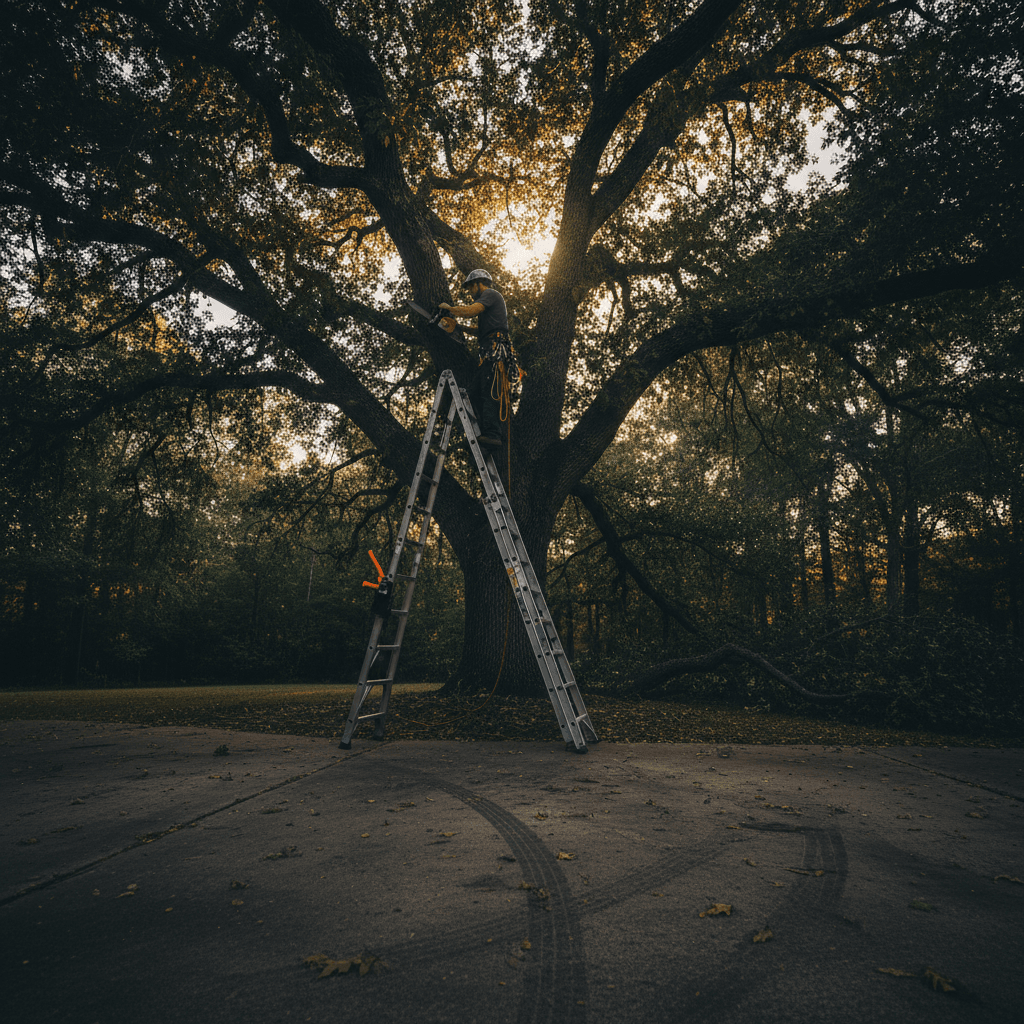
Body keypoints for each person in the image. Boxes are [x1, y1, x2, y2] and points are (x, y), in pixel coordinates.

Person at [438, 269, 517, 449]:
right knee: (472, 394)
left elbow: (471, 311)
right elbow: (479, 331)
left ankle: (493, 435)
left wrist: (450, 309)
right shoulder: (487, 310)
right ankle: (481, 434)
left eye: (470, 287)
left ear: (478, 283)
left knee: (489, 393)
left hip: (495, 355)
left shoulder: (490, 294)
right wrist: (458, 327)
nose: (470, 292)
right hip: (488, 355)